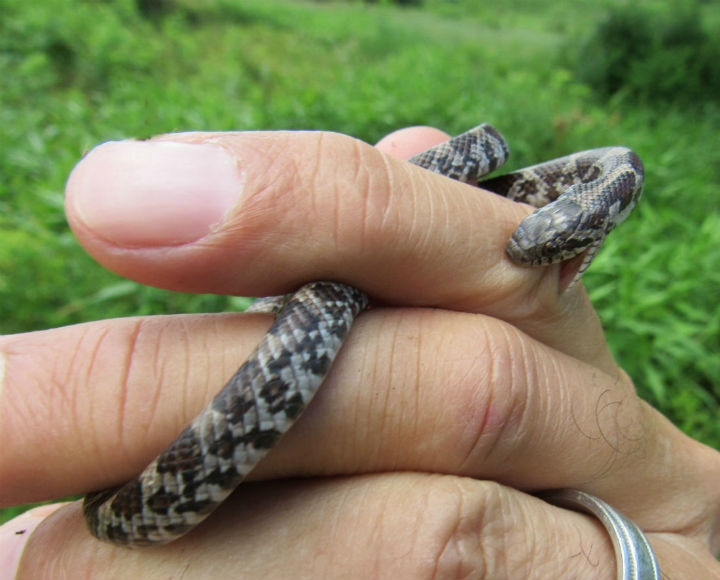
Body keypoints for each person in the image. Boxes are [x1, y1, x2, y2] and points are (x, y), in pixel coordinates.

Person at [1, 127, 718, 578]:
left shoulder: (601, 189)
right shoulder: (559, 184)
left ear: (589, 227)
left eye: (552, 246)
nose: (524, 251)